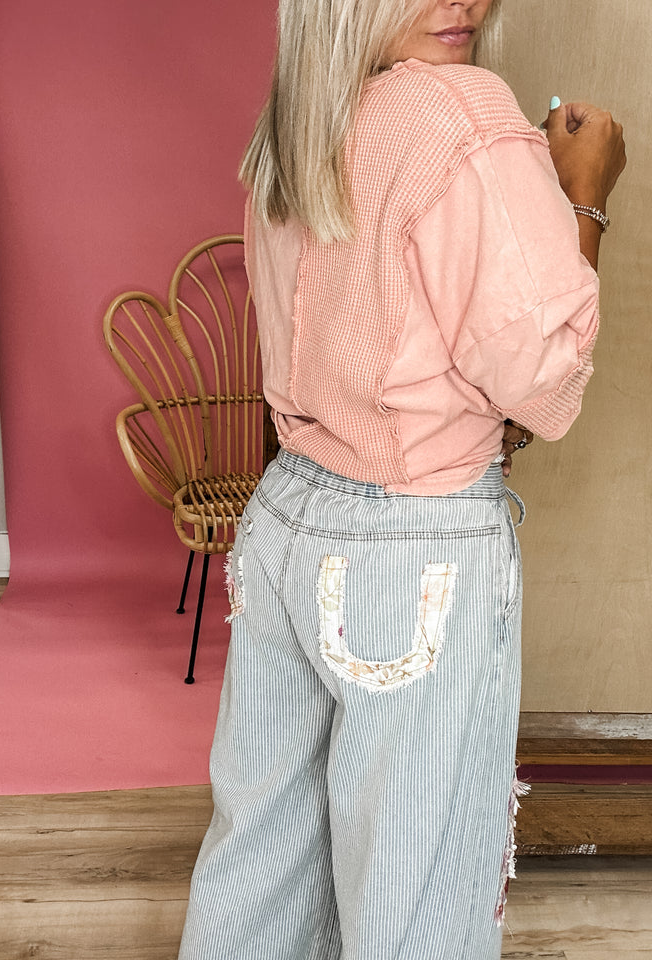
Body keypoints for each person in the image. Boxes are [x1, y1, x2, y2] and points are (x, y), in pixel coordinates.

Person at [178, 0, 626, 957]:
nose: (464, 2)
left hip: (285, 524)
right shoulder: (461, 112)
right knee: (415, 899)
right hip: (412, 550)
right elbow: (543, 386)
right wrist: (583, 193)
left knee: (258, 862)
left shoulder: (298, 121)